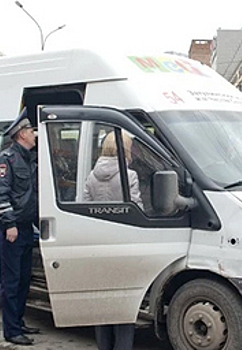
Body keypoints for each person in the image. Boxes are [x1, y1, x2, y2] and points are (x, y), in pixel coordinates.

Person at [82, 131, 141, 350]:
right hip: (123, 245)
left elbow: (85, 208)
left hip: (98, 245)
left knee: (102, 303)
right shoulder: (130, 176)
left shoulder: (91, 176)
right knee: (124, 305)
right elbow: (136, 209)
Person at [0, 110, 40, 346]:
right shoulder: (5, 160)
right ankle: (11, 330)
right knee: (10, 282)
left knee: (23, 280)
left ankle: (18, 322)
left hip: (26, 227)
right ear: (21, 134)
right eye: (31, 131)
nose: (34, 135)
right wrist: (9, 224)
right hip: (12, 229)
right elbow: (0, 195)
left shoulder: (30, 158)